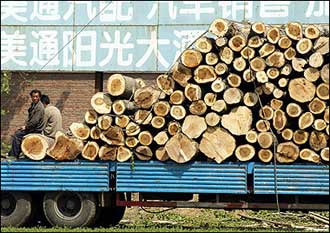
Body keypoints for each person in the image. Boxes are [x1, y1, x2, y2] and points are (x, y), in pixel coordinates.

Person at [7, 89, 45, 159]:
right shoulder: (34, 105)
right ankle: (11, 153)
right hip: (32, 128)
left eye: (36, 97)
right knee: (18, 132)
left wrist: (26, 127)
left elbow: (34, 122)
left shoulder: (39, 107)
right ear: (31, 97)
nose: (35, 98)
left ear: (39, 97)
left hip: (36, 129)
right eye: (33, 97)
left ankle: (13, 156)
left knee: (17, 135)